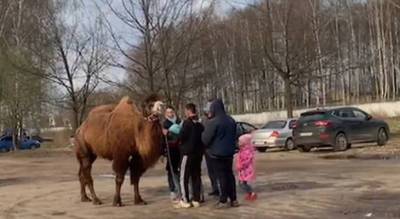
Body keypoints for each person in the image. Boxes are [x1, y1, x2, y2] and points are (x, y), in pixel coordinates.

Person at [202, 99, 239, 209]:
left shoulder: (213, 122)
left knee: (221, 176)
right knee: (230, 175)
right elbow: (236, 135)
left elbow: (205, 139)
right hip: (229, 152)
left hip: (217, 153)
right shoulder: (231, 120)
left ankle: (223, 200)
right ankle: (233, 199)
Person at [175, 103, 205, 208]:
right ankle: (197, 199)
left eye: (185, 111)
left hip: (187, 154)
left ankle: (185, 200)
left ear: (188, 111)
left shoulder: (187, 123)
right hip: (198, 154)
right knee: (196, 176)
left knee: (184, 177)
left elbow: (181, 136)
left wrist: (172, 133)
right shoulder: (200, 124)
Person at [163, 106, 182, 203]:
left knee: (180, 170)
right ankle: (173, 190)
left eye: (171, 111)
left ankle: (181, 189)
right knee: (171, 171)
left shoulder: (179, 121)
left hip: (181, 150)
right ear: (166, 114)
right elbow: (163, 138)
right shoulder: (165, 124)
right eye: (168, 112)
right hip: (171, 150)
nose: (170, 114)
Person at [202, 102, 219, 197]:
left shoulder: (217, 120)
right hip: (207, 149)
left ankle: (221, 189)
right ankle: (215, 188)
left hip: (216, 149)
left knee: (218, 170)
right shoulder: (204, 120)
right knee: (211, 170)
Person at [237, 134, 257, 201]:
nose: (238, 143)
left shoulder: (247, 151)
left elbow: (247, 161)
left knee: (242, 183)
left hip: (246, 170)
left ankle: (252, 193)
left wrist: (241, 165)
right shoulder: (243, 150)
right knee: (242, 183)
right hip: (243, 170)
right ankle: (249, 193)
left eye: (240, 142)